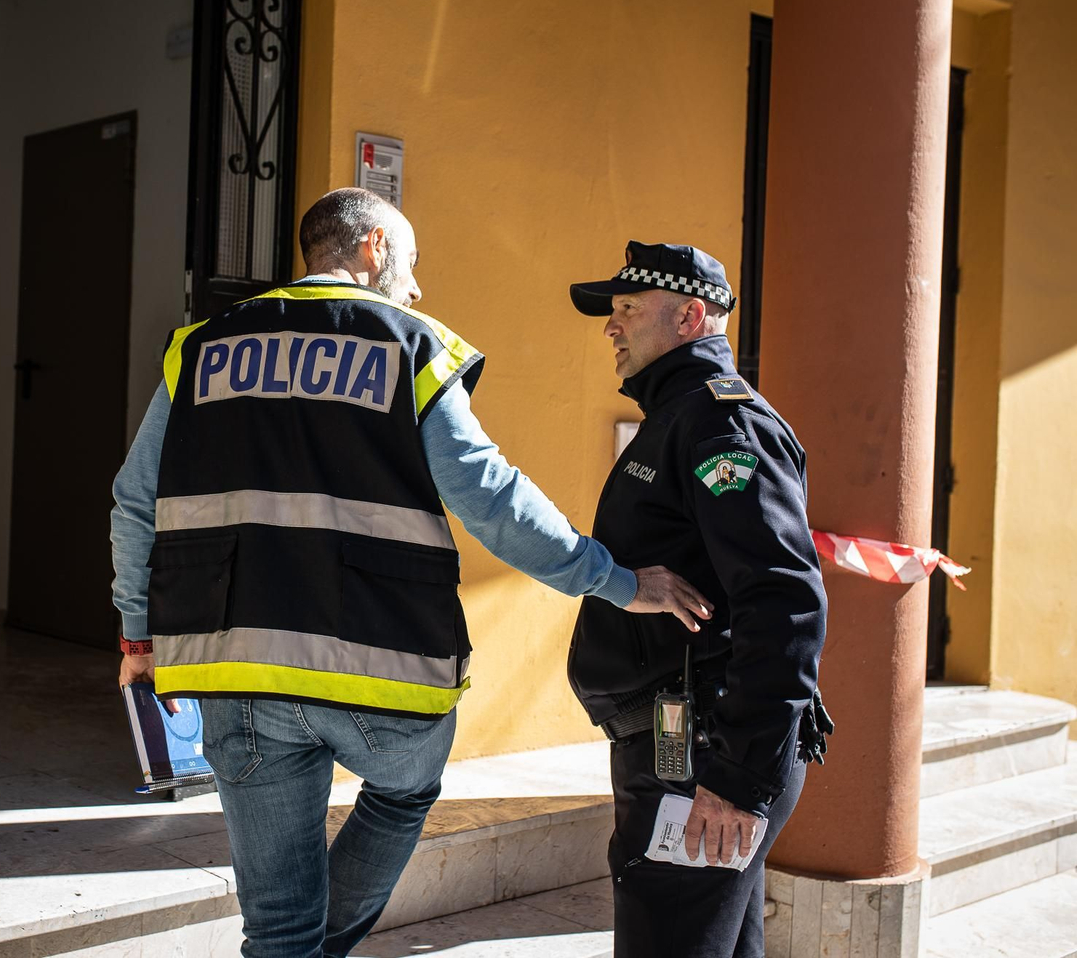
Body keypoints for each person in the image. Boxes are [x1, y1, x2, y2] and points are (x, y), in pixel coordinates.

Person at [109, 188, 712, 958]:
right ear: (370, 251)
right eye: (413, 263)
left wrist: (138, 636)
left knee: (276, 930)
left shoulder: (197, 348)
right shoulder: (409, 343)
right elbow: (491, 500)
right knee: (402, 794)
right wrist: (620, 582)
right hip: (378, 664)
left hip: (237, 667)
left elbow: (134, 502)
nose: (418, 287)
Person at [566, 241, 831, 958]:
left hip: (699, 749)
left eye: (627, 309)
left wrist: (739, 778)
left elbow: (785, 600)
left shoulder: (720, 423)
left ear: (689, 316)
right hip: (684, 741)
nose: (610, 327)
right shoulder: (681, 415)